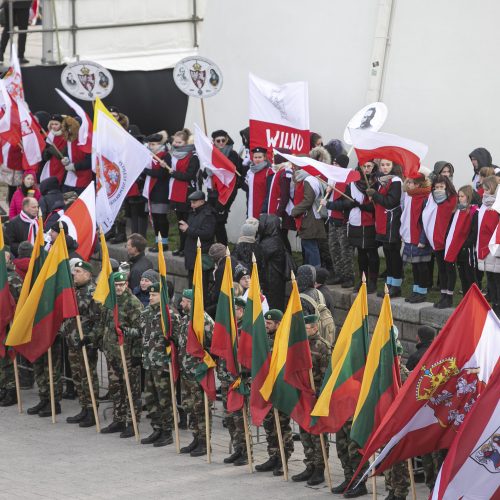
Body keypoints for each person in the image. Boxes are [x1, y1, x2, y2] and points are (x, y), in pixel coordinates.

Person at [96, 272, 143, 437]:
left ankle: (132, 422)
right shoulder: (109, 301)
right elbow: (103, 323)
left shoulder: (133, 303)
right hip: (112, 353)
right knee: (115, 387)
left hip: (128, 354)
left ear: (127, 284)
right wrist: (98, 339)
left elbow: (141, 330)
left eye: (122, 285)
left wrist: (127, 333)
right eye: (116, 285)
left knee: (131, 389)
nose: (119, 288)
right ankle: (119, 419)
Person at [322, 162, 377, 291]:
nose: (366, 169)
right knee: (361, 253)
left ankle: (371, 282)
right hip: (355, 221)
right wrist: (329, 194)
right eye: (364, 166)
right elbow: (348, 201)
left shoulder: (376, 182)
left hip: (370, 223)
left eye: (369, 166)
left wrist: (362, 204)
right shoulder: (353, 183)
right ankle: (362, 280)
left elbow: (372, 205)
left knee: (370, 253)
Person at [138, 282, 180, 447]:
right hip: (149, 362)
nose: (150, 297)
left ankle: (167, 431)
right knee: (150, 398)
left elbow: (177, 340)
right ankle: (157, 428)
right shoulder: (146, 312)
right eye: (150, 295)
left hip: (163, 364)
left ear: (162, 296)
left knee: (164, 400)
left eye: (154, 295)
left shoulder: (170, 315)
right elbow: (142, 333)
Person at [174, 289, 214, 457]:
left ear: (192, 303)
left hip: (198, 372)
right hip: (186, 371)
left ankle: (205, 443)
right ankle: (196, 438)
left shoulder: (204, 320)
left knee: (201, 408)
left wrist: (204, 365)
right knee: (190, 406)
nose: (182, 304)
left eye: (184, 302)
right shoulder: (185, 320)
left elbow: (213, 346)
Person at [61, 260, 100, 428]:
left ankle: (92, 410)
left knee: (88, 377)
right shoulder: (74, 291)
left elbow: (98, 321)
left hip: (85, 344)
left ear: (88, 274)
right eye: (74, 271)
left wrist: (92, 342)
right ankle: (84, 407)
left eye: (78, 271)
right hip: (72, 341)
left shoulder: (93, 293)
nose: (74, 274)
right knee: (77, 376)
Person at [292, 314, 330, 486]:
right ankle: (309, 464)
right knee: (305, 432)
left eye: (306, 329)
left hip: (316, 397)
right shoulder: (301, 345)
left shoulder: (323, 347)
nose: (304, 332)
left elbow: (326, 376)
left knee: (317, 435)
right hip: (303, 396)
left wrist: (320, 396)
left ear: (315, 328)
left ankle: (319, 468)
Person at [255, 309, 294, 476]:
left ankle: (283, 459)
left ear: (279, 324)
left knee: (282, 426)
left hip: (282, 391)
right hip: (267, 390)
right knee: (269, 424)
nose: (266, 326)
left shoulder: (285, 341)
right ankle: (273, 455)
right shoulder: (266, 340)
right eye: (265, 322)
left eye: (269, 323)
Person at [219, 296, 252, 466]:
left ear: (243, 311)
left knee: (241, 418)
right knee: (229, 417)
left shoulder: (247, 330)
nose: (234, 313)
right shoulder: (228, 328)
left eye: (237, 310)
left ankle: (246, 452)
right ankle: (238, 448)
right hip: (226, 377)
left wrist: (245, 374)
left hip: (240, 379)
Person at [366, 159, 404, 298]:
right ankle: (389, 283)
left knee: (393, 254)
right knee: (387, 254)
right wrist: (373, 196)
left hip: (392, 222)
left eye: (388, 164)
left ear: (393, 166)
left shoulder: (395, 181)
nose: (385, 167)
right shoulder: (382, 181)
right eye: (383, 165)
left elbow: (390, 202)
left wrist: (375, 195)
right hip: (383, 222)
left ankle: (396, 286)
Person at [422, 175, 458, 308]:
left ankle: (449, 296)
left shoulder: (454, 199)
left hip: (448, 241)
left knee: (450, 269)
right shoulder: (432, 200)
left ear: (447, 187)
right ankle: (443, 295)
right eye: (436, 187)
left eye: (441, 187)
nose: (438, 190)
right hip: (436, 240)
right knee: (441, 269)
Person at [206, 129, 243, 246]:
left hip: (227, 191)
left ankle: (223, 248)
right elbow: (206, 171)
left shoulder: (232, 154)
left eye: (223, 140)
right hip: (213, 190)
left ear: (227, 140)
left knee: (219, 220)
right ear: (214, 142)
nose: (221, 143)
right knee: (211, 219)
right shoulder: (210, 153)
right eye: (218, 141)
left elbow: (232, 170)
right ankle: (212, 247)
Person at [400, 174, 433, 303]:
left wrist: (422, 239)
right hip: (410, 235)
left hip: (420, 237)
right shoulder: (411, 196)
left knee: (422, 266)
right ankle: (416, 290)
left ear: (418, 184)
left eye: (411, 183)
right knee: (414, 265)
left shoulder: (425, 198)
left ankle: (422, 292)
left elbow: (426, 221)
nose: (409, 185)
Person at [169, 129, 199, 256]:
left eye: (179, 142)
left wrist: (173, 173)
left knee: (187, 222)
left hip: (187, 194)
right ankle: (181, 247)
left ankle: (188, 249)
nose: (175, 144)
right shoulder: (173, 154)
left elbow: (189, 175)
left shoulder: (193, 157)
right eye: (175, 141)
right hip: (176, 192)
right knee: (180, 222)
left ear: (186, 142)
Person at [443, 185, 478, 297]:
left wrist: (465, 245)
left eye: (462, 196)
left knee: (470, 277)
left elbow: (474, 232)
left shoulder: (474, 212)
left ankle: (473, 301)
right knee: (463, 277)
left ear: (468, 197)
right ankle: (465, 301)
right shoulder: (458, 211)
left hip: (468, 250)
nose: (459, 198)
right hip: (459, 249)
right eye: (459, 196)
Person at [179, 190, 216, 291]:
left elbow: (207, 234)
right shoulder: (193, 213)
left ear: (202, 202)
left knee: (200, 287)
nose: (191, 205)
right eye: (191, 202)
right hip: (191, 255)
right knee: (192, 286)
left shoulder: (209, 215)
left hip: (201, 256)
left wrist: (188, 229)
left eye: (194, 202)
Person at [291, 166, 326, 267]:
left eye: (294, 166)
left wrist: (295, 211)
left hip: (310, 218)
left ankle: (315, 274)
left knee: (311, 247)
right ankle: (311, 273)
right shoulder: (308, 178)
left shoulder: (308, 180)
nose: (292, 169)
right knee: (309, 246)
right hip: (309, 217)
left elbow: (308, 200)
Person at [476, 176, 500, 314]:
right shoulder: (485, 205)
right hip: (485, 248)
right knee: (490, 278)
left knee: (498, 281)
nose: (484, 193)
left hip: (495, 249)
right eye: (483, 190)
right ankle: (495, 304)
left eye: (487, 190)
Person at [143, 133, 171, 252]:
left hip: (161, 191)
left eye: (153, 144)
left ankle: (164, 243)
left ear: (160, 145)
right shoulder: (150, 155)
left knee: (161, 218)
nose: (151, 146)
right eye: (150, 144)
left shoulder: (165, 156)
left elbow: (162, 174)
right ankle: (157, 242)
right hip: (152, 191)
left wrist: (145, 170)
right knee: (154, 218)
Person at [257, 214, 287, 311]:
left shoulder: (269, 243)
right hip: (276, 281)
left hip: (270, 281)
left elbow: (257, 260)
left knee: (271, 308)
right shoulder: (277, 239)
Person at [0, 0, 31, 64]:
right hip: (22, 3)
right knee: (22, 30)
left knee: (8, 28)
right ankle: (20, 56)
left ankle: (1, 53)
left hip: (10, 3)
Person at [245, 147, 272, 219]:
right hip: (251, 209)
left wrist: (264, 209)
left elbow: (270, 193)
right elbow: (248, 192)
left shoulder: (269, 172)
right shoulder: (249, 172)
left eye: (260, 157)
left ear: (264, 158)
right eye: (255, 157)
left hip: (263, 210)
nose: (257, 159)